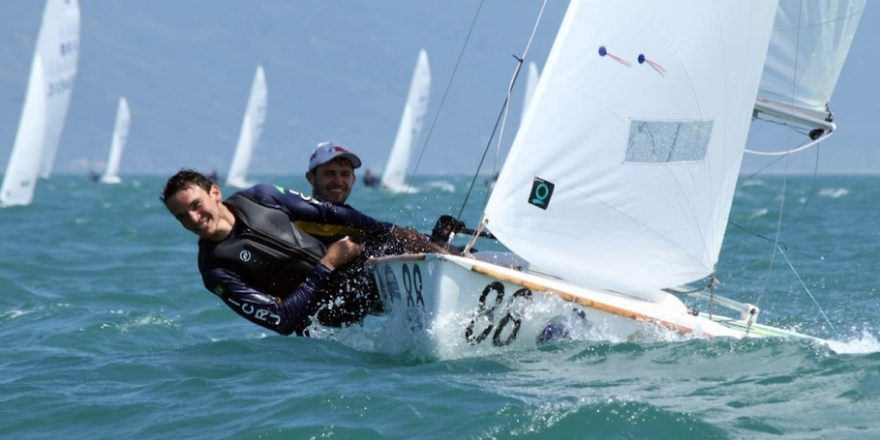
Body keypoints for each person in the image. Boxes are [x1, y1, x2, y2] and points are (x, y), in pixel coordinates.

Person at [161, 169, 444, 336]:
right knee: (385, 271)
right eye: (182, 216)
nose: (193, 219)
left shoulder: (261, 197)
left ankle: (452, 257)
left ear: (215, 193)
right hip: (331, 306)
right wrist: (328, 263)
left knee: (407, 243)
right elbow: (282, 321)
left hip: (349, 262)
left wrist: (391, 230)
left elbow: (330, 212)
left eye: (196, 205)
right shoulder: (216, 270)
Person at [304, 141, 360, 205]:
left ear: (353, 179)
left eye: (345, 174)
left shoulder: (355, 211)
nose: (338, 182)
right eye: (329, 174)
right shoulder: (296, 211)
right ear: (311, 178)